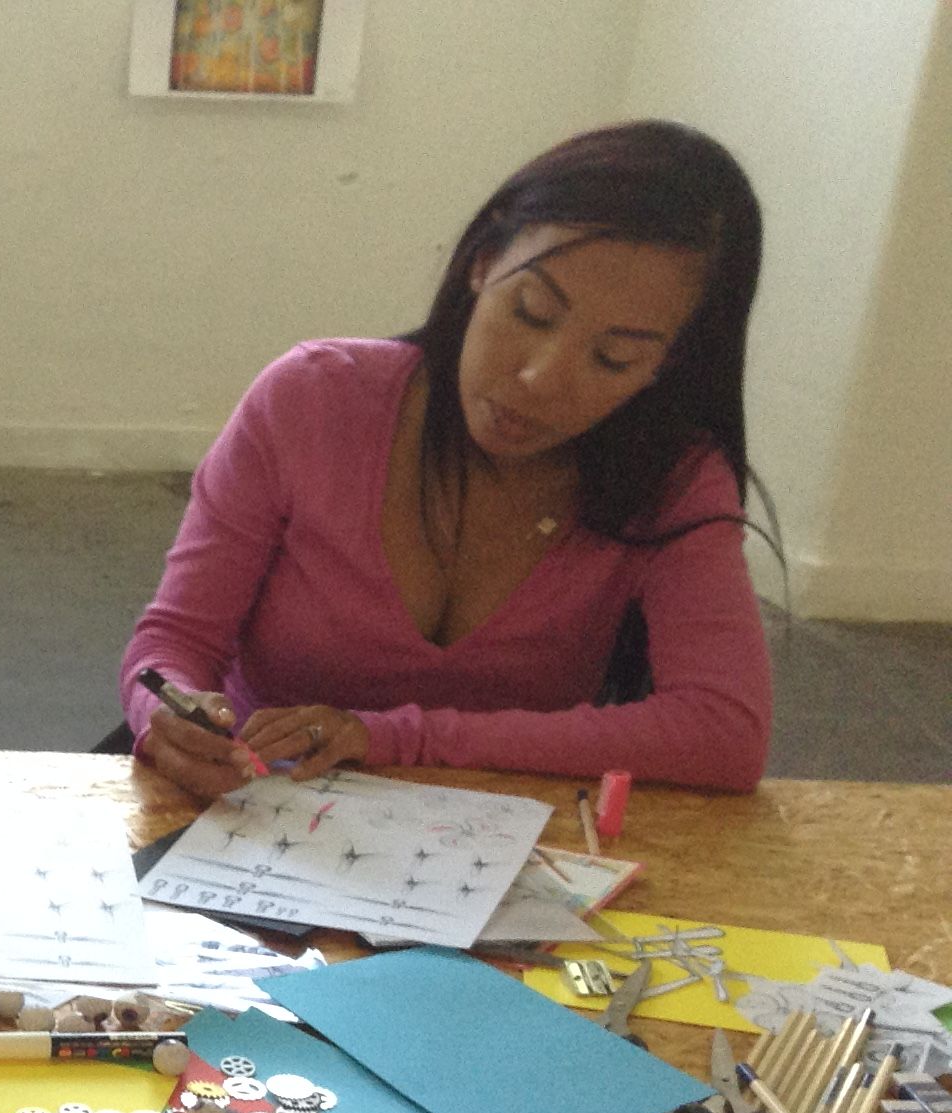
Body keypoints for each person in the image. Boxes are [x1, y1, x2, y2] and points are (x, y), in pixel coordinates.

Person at [121, 121, 773, 800]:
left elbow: (724, 730)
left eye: (614, 358)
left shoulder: (674, 477)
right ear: (482, 263)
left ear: (668, 364)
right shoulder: (312, 399)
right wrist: (166, 714)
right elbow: (172, 642)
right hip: (255, 812)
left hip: (494, 836)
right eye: (530, 311)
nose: (539, 378)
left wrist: (391, 736)